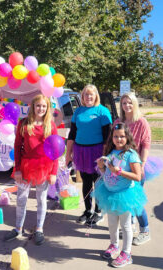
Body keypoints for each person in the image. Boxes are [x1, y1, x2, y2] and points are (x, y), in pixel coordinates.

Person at [4, 94, 58, 245]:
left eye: (44, 106)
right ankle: (18, 228)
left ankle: (39, 229)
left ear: (47, 108)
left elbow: (56, 150)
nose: (40, 109)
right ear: (33, 107)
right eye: (38, 105)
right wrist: (18, 169)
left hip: (44, 167)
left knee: (41, 199)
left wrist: (54, 172)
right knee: (21, 199)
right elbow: (17, 147)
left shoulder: (50, 125)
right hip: (26, 167)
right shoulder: (24, 123)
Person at [94, 123, 147, 268]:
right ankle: (114, 245)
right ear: (112, 138)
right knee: (112, 223)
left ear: (127, 137)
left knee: (125, 225)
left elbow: (137, 176)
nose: (119, 139)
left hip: (124, 195)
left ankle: (127, 253)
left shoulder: (131, 154)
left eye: (122, 136)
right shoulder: (111, 152)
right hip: (109, 193)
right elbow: (106, 174)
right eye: (116, 136)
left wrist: (119, 172)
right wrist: (101, 167)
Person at [66, 84, 112, 226]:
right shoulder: (78, 112)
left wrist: (104, 156)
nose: (89, 97)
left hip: (97, 151)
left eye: (91, 94)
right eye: (86, 94)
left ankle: (98, 212)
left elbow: (107, 136)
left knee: (98, 182)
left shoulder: (102, 111)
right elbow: (72, 134)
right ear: (82, 97)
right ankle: (88, 211)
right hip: (81, 151)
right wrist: (68, 153)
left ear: (96, 96)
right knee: (86, 182)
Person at [114, 92, 151, 246]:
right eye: (124, 103)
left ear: (134, 104)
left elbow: (146, 144)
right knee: (124, 199)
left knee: (135, 202)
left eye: (129, 102)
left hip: (136, 168)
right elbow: (114, 141)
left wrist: (141, 165)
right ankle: (130, 224)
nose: (127, 106)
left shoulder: (141, 122)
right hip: (121, 168)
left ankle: (145, 231)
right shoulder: (118, 121)